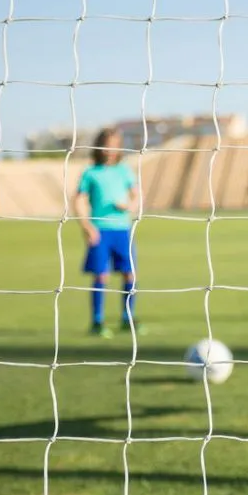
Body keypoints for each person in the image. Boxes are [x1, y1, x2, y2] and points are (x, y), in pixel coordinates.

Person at [74, 128, 144, 338]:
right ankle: (97, 321)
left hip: (123, 230)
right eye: (106, 145)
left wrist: (130, 206)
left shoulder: (123, 171)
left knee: (129, 273)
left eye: (114, 145)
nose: (109, 150)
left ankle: (127, 318)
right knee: (101, 275)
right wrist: (86, 226)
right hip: (100, 230)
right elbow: (78, 199)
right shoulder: (90, 172)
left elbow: (137, 195)